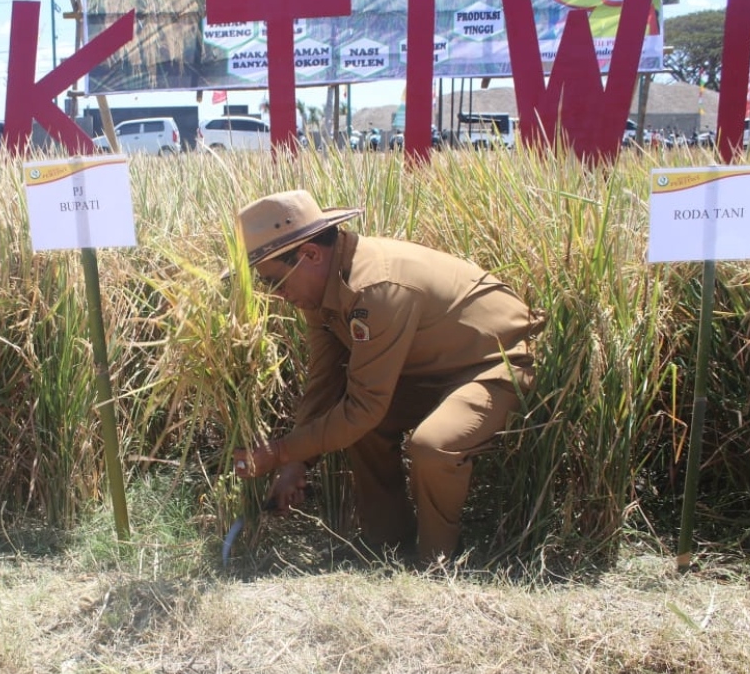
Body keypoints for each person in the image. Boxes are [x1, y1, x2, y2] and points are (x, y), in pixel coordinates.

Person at [230, 190, 540, 562]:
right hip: (431, 372)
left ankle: (437, 562)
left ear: (310, 255)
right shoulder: (321, 289)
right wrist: (296, 462)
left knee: (432, 445)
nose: (277, 295)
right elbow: (324, 380)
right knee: (362, 430)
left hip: (494, 364)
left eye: (274, 282)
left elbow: (364, 407)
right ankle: (388, 546)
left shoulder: (376, 289)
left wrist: (279, 452)